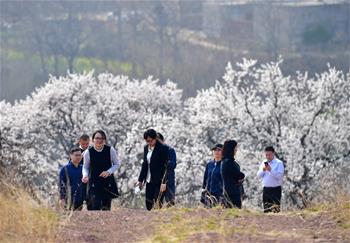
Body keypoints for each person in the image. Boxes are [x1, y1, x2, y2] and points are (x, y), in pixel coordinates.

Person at [82, 130, 120, 210]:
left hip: (107, 182)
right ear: (93, 140)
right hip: (94, 183)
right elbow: (85, 167)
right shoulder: (88, 152)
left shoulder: (110, 150)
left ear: (105, 140)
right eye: (97, 138)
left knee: (106, 207)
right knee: (95, 206)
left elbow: (116, 164)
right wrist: (85, 175)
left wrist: (108, 172)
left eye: (102, 138)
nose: (99, 140)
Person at [137, 129, 169, 211]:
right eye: (146, 141)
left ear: (155, 138)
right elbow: (145, 164)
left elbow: (166, 167)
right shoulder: (146, 148)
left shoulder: (163, 148)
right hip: (148, 179)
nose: (148, 143)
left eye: (150, 141)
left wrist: (164, 182)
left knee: (157, 204)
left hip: (159, 181)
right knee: (148, 204)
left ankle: (157, 221)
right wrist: (140, 180)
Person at [257, 146, 284, 213]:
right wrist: (263, 170)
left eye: (269, 155)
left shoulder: (279, 163)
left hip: (275, 190)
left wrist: (270, 170)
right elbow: (258, 175)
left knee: (275, 210)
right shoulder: (264, 162)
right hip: (266, 190)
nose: (268, 157)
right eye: (266, 155)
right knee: (266, 211)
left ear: (273, 154)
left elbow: (279, 176)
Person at [221, 140, 245, 209]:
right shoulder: (229, 162)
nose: (236, 150)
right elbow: (239, 175)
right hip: (233, 193)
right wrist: (242, 176)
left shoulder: (224, 161)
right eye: (235, 148)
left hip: (228, 192)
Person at [157, 132, 177, 207]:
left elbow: (173, 164)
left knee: (170, 202)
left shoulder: (170, 150)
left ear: (162, 140)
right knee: (156, 204)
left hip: (169, 180)